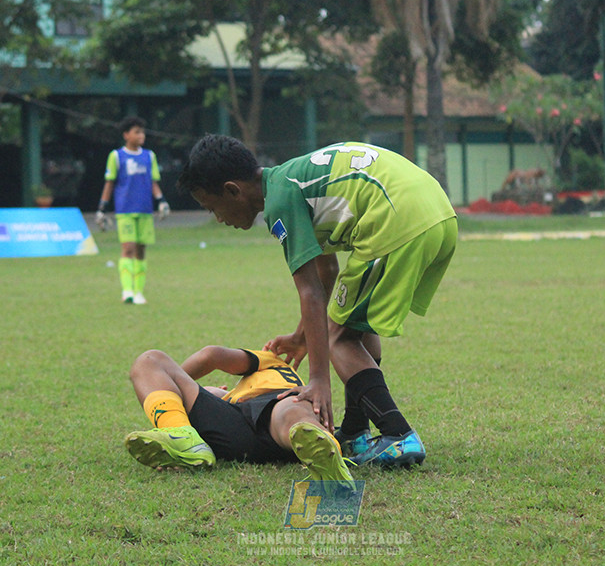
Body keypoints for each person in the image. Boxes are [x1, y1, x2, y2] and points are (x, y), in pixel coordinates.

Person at [176, 137, 457, 467]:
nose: (219, 218)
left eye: (212, 207)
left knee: (338, 335)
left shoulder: (280, 200)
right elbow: (327, 271)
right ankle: (355, 432)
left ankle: (398, 434)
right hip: (438, 214)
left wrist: (319, 380)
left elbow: (310, 291)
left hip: (398, 221)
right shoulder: (295, 181)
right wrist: (300, 338)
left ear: (233, 190)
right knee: (353, 325)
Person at [124, 344, 355, 489]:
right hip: (242, 424)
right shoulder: (227, 395)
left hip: (272, 405)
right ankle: (183, 439)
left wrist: (173, 380)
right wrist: (213, 393)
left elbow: (210, 355)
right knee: (293, 414)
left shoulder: (273, 362)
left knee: (293, 406)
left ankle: (326, 454)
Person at [95, 116, 171, 305]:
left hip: (145, 210)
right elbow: (109, 183)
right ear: (126, 135)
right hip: (125, 211)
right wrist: (102, 209)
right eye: (137, 132)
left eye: (142, 132)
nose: (141, 135)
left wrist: (161, 201)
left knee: (141, 250)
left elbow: (153, 182)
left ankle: (139, 292)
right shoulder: (116, 156)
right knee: (127, 248)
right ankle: (127, 291)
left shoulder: (149, 156)